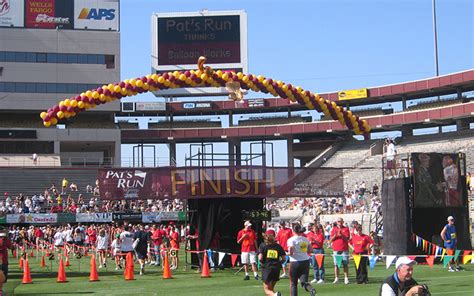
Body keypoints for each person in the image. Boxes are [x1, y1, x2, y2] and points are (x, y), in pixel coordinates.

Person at [287, 223, 317, 296]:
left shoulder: (291, 240)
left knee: (293, 283)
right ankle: (311, 289)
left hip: (295, 262)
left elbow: (291, 252)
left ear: (293, 230)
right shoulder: (305, 239)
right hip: (305, 261)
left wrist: (286, 253)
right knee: (304, 282)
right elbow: (310, 250)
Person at [258, 229, 286, 296]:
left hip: (267, 268)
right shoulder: (278, 246)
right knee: (271, 289)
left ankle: (276, 295)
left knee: (267, 290)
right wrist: (279, 263)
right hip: (276, 269)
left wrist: (261, 262)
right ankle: (275, 294)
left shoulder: (263, 245)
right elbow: (284, 258)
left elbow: (260, 258)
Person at [330, 217, 350, 284]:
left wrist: (341, 235)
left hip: (344, 249)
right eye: (338, 221)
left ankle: (346, 278)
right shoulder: (334, 229)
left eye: (341, 221)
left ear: (343, 222)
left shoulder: (346, 229)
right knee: (336, 264)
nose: (339, 223)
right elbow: (331, 239)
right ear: (337, 222)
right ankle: (336, 278)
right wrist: (336, 235)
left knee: (345, 264)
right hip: (336, 249)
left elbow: (347, 239)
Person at [0, 227, 13, 295]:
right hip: (3, 260)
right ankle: (0, 291)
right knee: (2, 277)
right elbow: (10, 247)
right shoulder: (5, 240)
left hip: (3, 260)